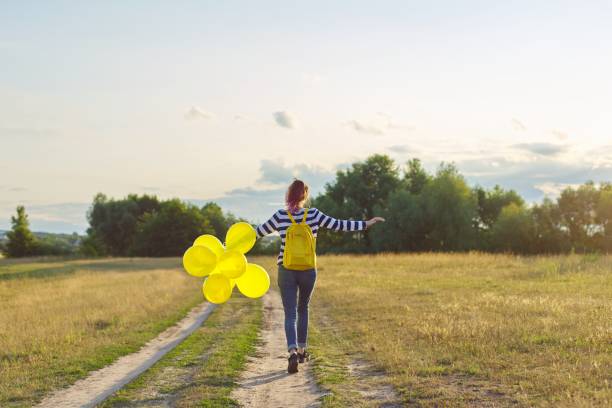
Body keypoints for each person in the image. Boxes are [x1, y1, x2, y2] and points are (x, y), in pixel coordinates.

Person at [255, 179, 385, 374]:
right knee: (303, 308)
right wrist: (366, 224)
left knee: (289, 312)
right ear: (305, 196)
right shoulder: (314, 215)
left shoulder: (280, 216)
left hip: (286, 268)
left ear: (288, 195)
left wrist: (228, 245)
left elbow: (257, 233)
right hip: (308, 269)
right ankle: (302, 350)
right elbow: (340, 225)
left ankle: (291, 352)